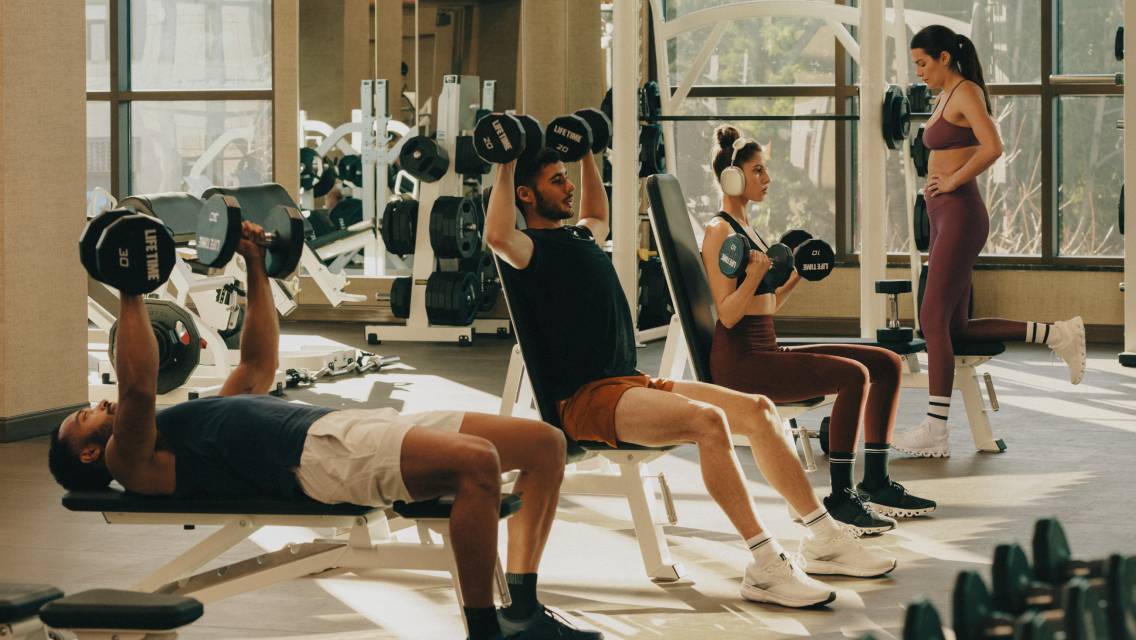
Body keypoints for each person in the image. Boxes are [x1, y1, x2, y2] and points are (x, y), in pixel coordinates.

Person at [49, 221, 599, 640]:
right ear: (93, 453)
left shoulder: (186, 427)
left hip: (344, 429)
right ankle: (486, 629)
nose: (97, 402)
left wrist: (256, 266)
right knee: (477, 461)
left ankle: (524, 610)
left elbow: (258, 366)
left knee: (545, 444)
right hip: (322, 458)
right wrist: (131, 288)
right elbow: (139, 387)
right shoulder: (133, 462)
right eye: (83, 418)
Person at [485, 145, 897, 611]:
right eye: (556, 181)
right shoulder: (526, 251)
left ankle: (822, 537)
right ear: (525, 194)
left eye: (567, 177)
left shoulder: (581, 236)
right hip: (587, 399)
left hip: (629, 380)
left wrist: (587, 152)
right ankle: (763, 563)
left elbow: (596, 212)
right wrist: (502, 161)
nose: (570, 186)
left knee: (758, 410)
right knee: (707, 422)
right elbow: (498, 234)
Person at [700, 125, 937, 532]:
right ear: (733, 177)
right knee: (852, 375)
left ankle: (875, 481)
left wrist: (794, 275)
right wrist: (757, 276)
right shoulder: (719, 230)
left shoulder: (749, 229)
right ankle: (841, 497)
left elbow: (766, 305)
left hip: (766, 349)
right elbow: (728, 315)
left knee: (885, 363)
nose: (767, 179)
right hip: (741, 364)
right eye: (758, 170)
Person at [895, 25, 1087, 458]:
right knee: (955, 327)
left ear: (945, 57)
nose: (920, 72)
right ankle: (1057, 333)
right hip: (945, 215)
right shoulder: (945, 94)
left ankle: (936, 430)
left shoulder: (966, 92)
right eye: (916, 65)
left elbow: (993, 146)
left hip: (961, 214)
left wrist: (952, 182)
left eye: (923, 63)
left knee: (931, 318)